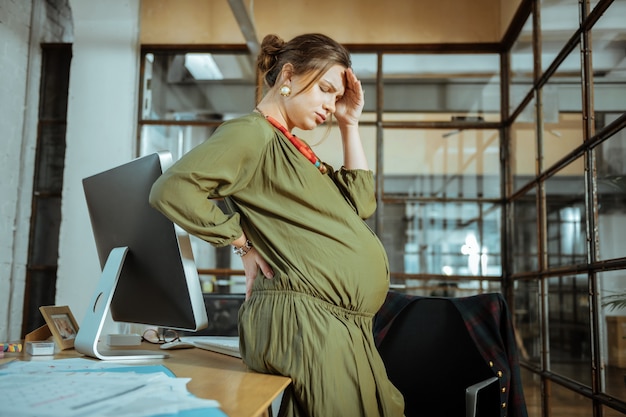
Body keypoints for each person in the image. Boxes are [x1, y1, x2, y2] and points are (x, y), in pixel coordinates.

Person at [149, 33, 405, 417]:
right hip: (308, 322)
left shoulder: (294, 148)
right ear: (288, 75)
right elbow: (172, 190)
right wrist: (243, 244)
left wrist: (350, 123)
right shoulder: (253, 134)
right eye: (324, 89)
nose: (330, 106)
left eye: (336, 97)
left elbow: (362, 202)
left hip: (339, 326)